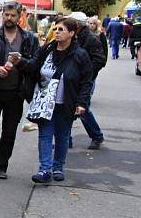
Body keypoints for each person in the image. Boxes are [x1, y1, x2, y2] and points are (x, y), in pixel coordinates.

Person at [10, 17, 93, 183]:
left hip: (66, 102)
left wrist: (82, 103)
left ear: (71, 33)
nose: (57, 32)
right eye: (55, 29)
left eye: (61, 29)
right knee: (45, 136)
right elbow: (34, 66)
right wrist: (20, 61)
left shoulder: (80, 54)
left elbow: (86, 81)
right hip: (45, 103)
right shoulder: (47, 49)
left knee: (62, 137)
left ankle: (58, 167)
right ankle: (44, 169)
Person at [0, 1, 40, 179]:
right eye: (6, 14)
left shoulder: (29, 39)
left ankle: (2, 165)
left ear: (20, 17)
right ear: (2, 14)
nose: (9, 18)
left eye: (13, 15)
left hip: (16, 93)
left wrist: (21, 62)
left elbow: (35, 64)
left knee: (9, 131)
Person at [69, 12, 106, 149]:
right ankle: (67, 139)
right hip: (72, 78)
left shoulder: (90, 39)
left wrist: (86, 73)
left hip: (84, 80)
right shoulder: (74, 35)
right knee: (68, 108)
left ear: (77, 24)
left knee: (82, 109)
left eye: (70, 21)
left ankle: (97, 136)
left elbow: (100, 60)